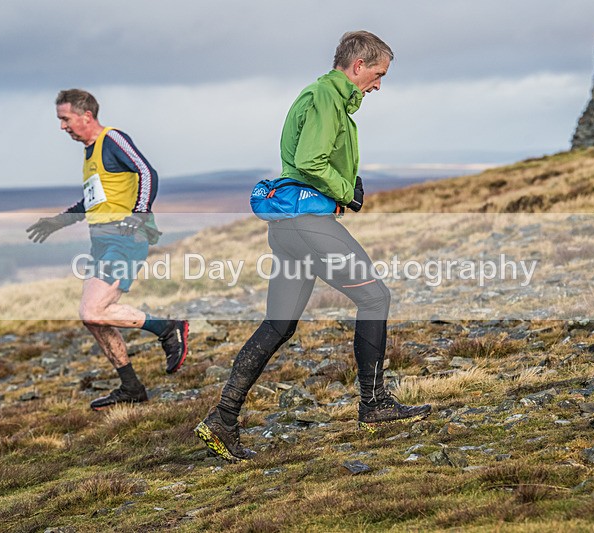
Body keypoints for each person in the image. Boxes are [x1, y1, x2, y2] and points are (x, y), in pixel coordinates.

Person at [195, 31, 431, 461]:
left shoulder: (325, 97)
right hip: (308, 225)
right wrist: (346, 192)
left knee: (278, 325)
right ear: (358, 66)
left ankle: (222, 419)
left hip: (288, 229)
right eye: (378, 74)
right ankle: (374, 404)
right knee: (376, 297)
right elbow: (309, 162)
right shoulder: (325, 96)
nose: (379, 85)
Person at [27, 89, 189, 410]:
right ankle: (130, 386)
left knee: (93, 310)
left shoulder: (112, 140)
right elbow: (92, 201)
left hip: (125, 238)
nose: (62, 127)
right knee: (92, 318)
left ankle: (168, 328)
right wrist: (57, 222)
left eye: (65, 119)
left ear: (86, 116)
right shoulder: (90, 154)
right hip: (103, 241)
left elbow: (146, 172)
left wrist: (139, 214)